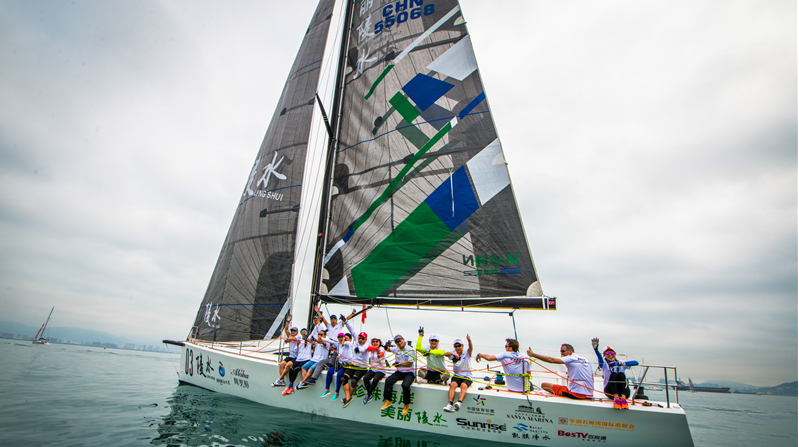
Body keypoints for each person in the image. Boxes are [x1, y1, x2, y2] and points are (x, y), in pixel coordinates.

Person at [527, 344, 594, 400]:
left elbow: (552, 360)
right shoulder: (586, 360)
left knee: (544, 385)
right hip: (590, 394)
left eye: (563, 351)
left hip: (576, 394)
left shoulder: (570, 357)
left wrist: (533, 355)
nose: (561, 354)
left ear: (570, 351)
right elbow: (592, 377)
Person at [592, 337, 638, 409]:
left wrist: (623, 364)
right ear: (604, 355)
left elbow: (636, 362)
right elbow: (600, 358)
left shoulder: (619, 362)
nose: (610, 355)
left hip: (624, 392)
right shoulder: (604, 364)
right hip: (610, 392)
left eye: (612, 353)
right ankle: (616, 398)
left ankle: (623, 398)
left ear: (615, 354)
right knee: (613, 375)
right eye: (607, 353)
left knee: (621, 374)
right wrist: (596, 350)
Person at [380, 334, 416, 416]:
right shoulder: (396, 348)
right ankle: (388, 400)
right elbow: (389, 349)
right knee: (388, 381)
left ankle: (406, 404)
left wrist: (398, 364)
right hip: (399, 372)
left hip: (409, 373)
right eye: (397, 342)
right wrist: (385, 347)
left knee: (405, 385)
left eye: (400, 341)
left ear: (403, 340)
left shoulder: (410, 350)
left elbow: (409, 364)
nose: (399, 343)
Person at [443, 334, 473, 412]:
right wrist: (454, 354)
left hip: (467, 376)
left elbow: (471, 348)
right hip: (457, 375)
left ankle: (459, 403)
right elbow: (445, 354)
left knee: (463, 385)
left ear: (462, 346)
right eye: (456, 346)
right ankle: (450, 404)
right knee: (453, 385)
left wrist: (469, 341)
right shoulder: (453, 353)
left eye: (459, 346)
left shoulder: (466, 352)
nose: (457, 348)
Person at [341, 331, 370, 408]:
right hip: (354, 365)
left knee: (354, 381)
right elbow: (352, 331)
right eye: (359, 338)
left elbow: (363, 349)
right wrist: (346, 322)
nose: (360, 340)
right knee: (344, 378)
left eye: (362, 338)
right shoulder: (356, 341)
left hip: (362, 367)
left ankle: (348, 398)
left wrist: (358, 348)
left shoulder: (367, 344)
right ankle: (348, 398)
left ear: (365, 339)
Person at [283, 328, 312, 395]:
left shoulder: (309, 340)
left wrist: (308, 339)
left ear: (307, 332)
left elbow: (312, 342)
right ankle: (291, 386)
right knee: (291, 369)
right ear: (301, 333)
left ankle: (291, 386)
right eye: (302, 331)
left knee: (296, 369)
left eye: (305, 331)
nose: (304, 332)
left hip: (306, 359)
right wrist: (297, 344)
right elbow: (295, 350)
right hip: (299, 359)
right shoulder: (300, 341)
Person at [272, 322, 300, 387]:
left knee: (288, 365)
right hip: (290, 356)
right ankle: (282, 380)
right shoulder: (290, 336)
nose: (292, 332)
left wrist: (287, 339)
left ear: (297, 332)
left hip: (296, 357)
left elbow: (292, 338)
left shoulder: (298, 336)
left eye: (294, 331)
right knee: (281, 364)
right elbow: (286, 329)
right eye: (292, 331)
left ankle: (279, 378)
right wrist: (287, 322)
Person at [362, 337, 387, 404]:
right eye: (373, 341)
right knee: (365, 378)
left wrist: (379, 354)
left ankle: (368, 394)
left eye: (377, 341)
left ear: (379, 343)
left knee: (376, 379)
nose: (375, 343)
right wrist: (375, 348)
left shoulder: (381, 349)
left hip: (381, 370)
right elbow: (367, 348)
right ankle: (370, 394)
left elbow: (381, 354)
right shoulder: (372, 349)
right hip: (373, 369)